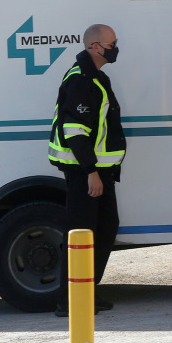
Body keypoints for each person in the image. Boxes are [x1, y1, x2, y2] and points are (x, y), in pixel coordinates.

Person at [48, 23, 125, 316]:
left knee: (105, 229)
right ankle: (69, 301)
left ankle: (87, 291)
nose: (116, 47)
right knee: (81, 235)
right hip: (84, 173)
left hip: (99, 172)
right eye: (112, 43)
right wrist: (91, 172)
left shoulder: (96, 77)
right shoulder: (81, 80)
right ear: (95, 47)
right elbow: (75, 131)